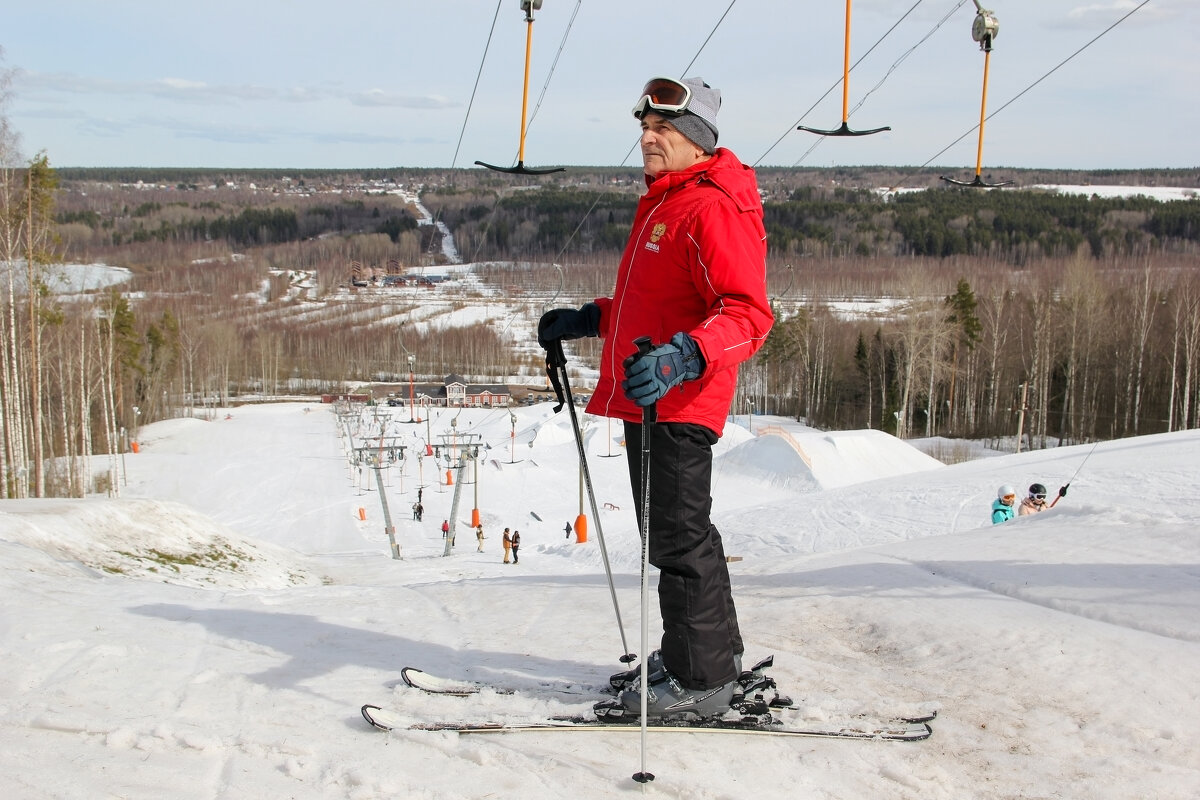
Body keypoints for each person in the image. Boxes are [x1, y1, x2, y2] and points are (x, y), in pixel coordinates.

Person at [538, 76, 773, 720]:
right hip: (655, 394)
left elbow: (747, 313)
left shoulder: (709, 207)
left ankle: (701, 685)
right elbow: (657, 304)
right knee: (678, 532)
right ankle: (704, 656)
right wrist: (590, 319)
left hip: (678, 397)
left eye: (661, 129)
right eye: (644, 126)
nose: (646, 137)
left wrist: (684, 356)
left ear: (695, 138)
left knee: (675, 539)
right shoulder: (669, 203)